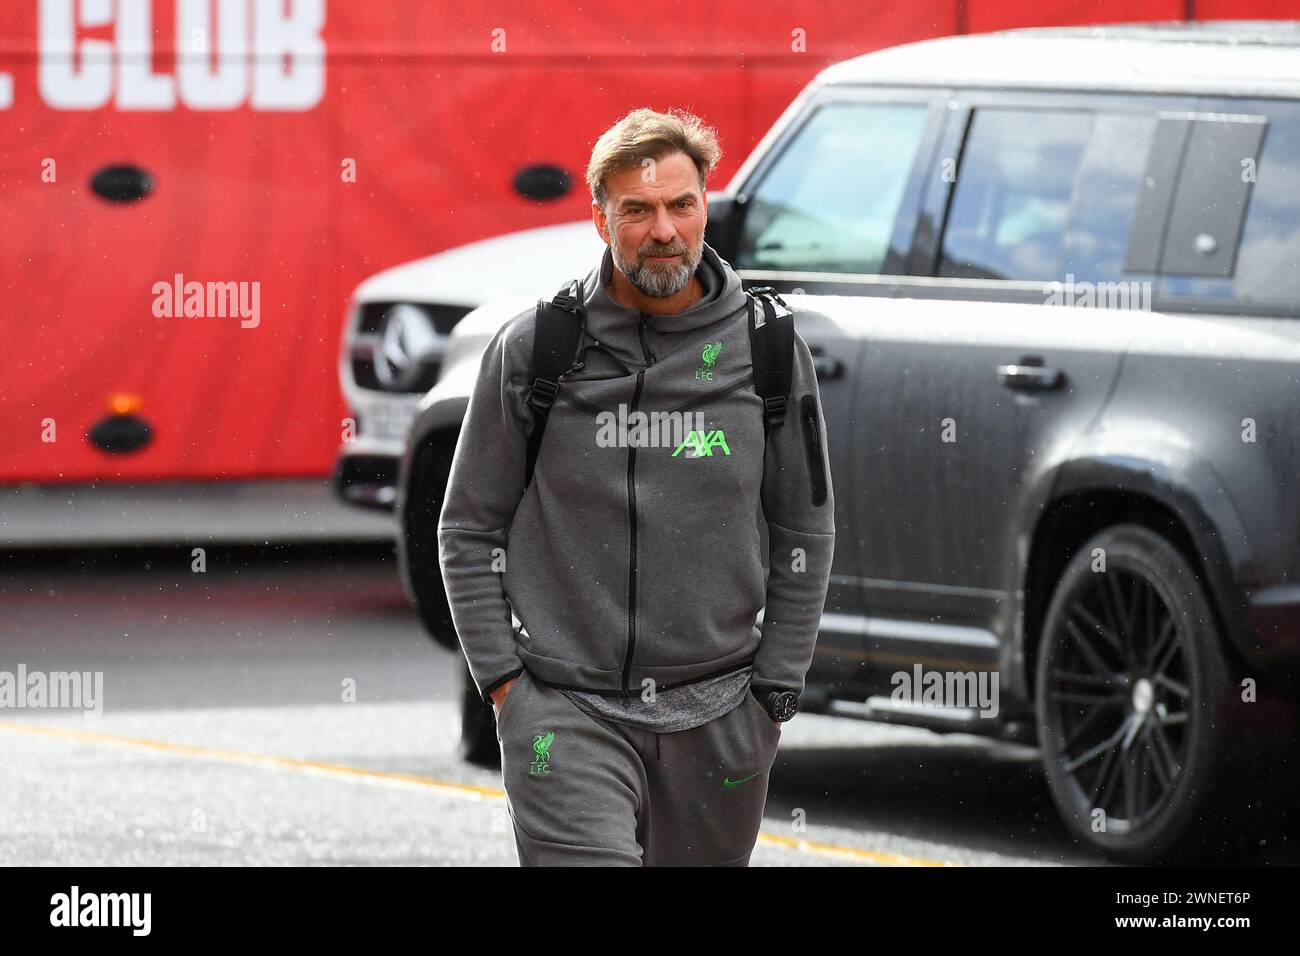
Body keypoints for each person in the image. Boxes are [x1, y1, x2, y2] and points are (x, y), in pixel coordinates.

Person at [437, 107, 835, 865]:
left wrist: (774, 693)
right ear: (599, 218)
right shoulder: (536, 350)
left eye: (682, 205)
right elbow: (467, 528)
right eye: (638, 209)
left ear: (705, 207)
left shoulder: (768, 349)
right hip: (565, 713)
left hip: (722, 719)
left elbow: (805, 530)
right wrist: (506, 688)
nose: (663, 230)